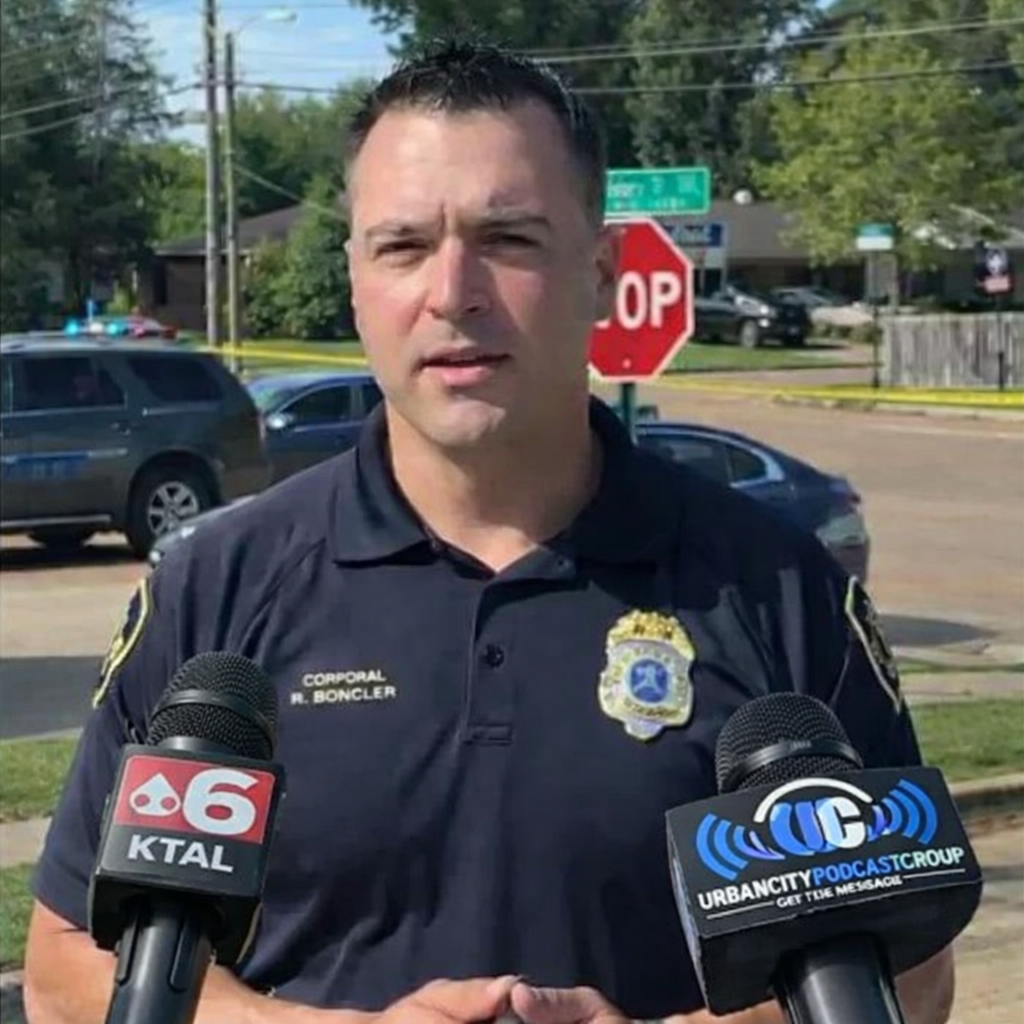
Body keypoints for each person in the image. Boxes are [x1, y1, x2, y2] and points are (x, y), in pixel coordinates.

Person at [24, 38, 955, 1024]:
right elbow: (64, 968)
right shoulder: (214, 587)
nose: (453, 291)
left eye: (507, 238)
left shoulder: (777, 588)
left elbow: (914, 973)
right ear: (355, 279)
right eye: (402, 246)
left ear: (602, 272)